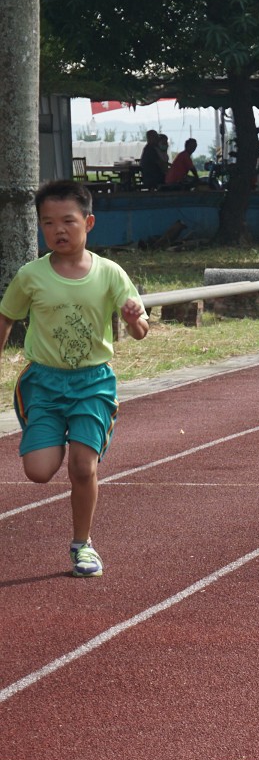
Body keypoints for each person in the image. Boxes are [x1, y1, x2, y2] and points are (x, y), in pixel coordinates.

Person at [0, 180, 149, 576]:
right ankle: (55, 433)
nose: (58, 230)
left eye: (68, 221)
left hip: (93, 383)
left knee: (83, 467)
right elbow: (6, 316)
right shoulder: (30, 275)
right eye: (48, 223)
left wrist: (134, 320)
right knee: (38, 471)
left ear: (89, 222)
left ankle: (82, 545)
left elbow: (140, 330)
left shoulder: (110, 273)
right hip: (43, 384)